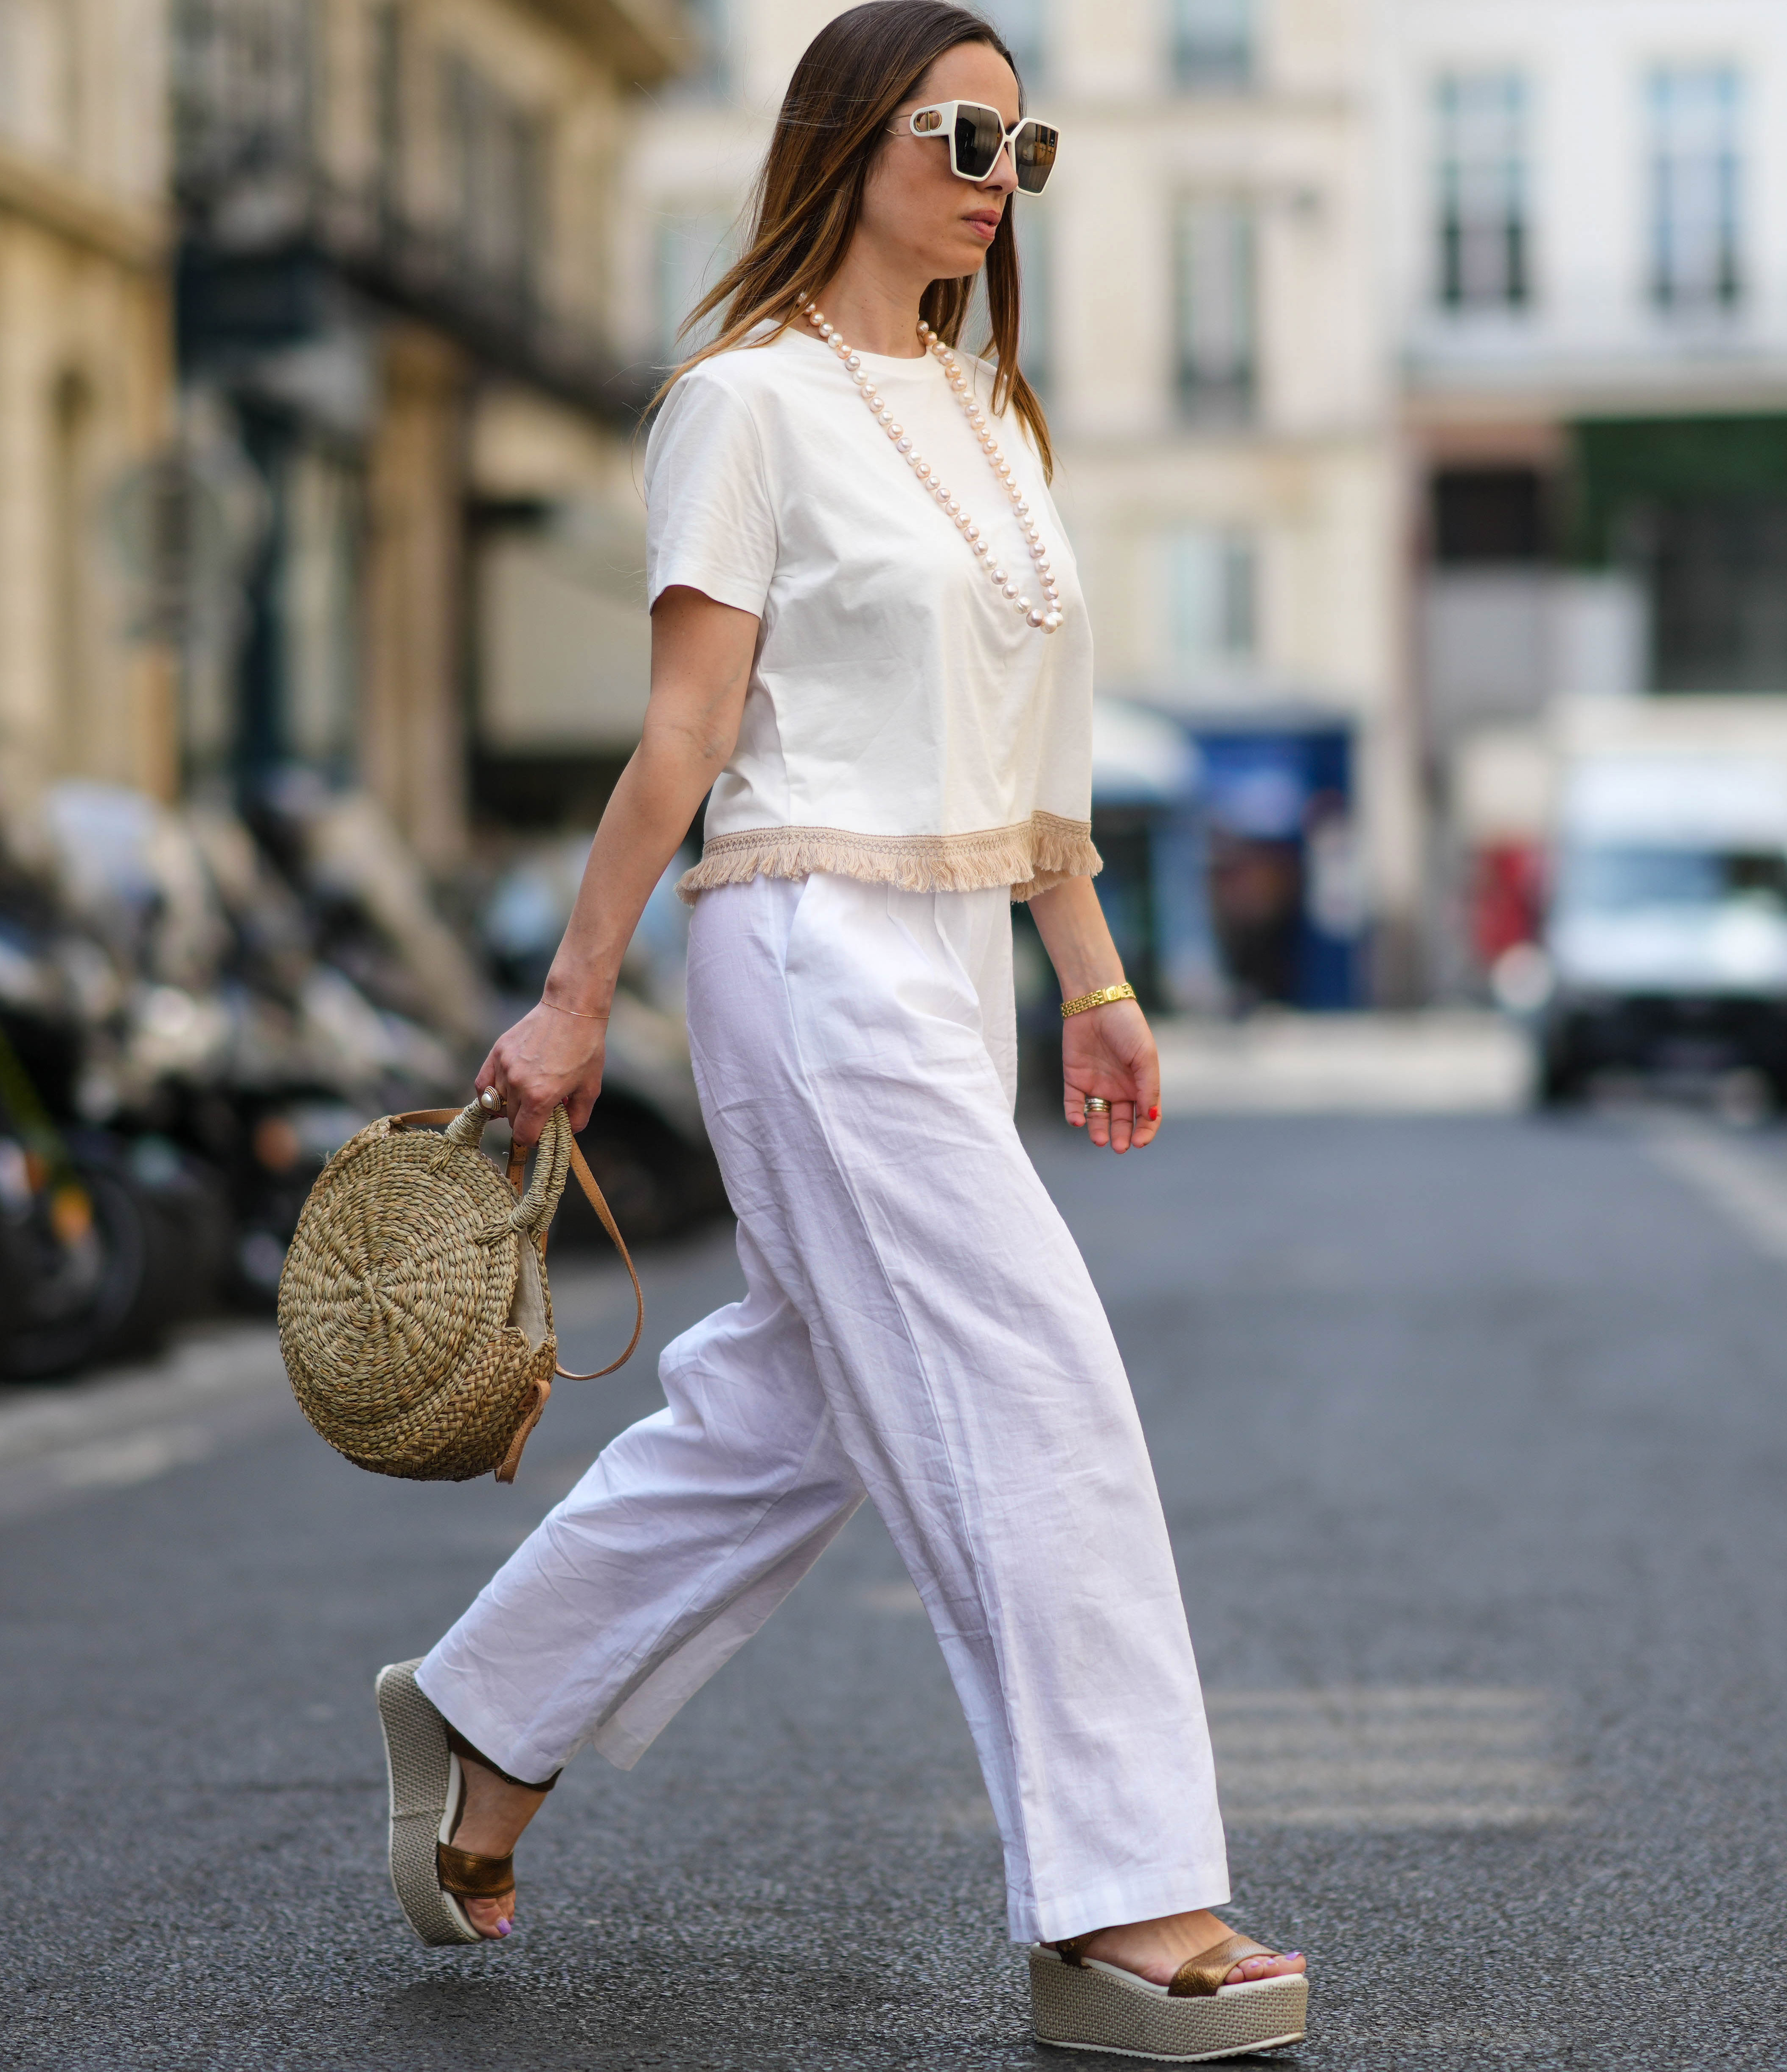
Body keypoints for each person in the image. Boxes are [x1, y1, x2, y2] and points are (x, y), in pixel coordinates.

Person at [370, 4, 1307, 2056]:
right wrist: (572, 997)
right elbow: (684, 738)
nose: (997, 181)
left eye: (1021, 150)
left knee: (799, 1408)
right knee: (1036, 1385)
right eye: (964, 138)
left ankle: (485, 1718)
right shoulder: (743, 404)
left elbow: (1035, 751)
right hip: (806, 945)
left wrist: (1094, 977)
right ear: (850, 141)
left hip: (955, 957)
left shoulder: (992, 415)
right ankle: (1122, 1902)